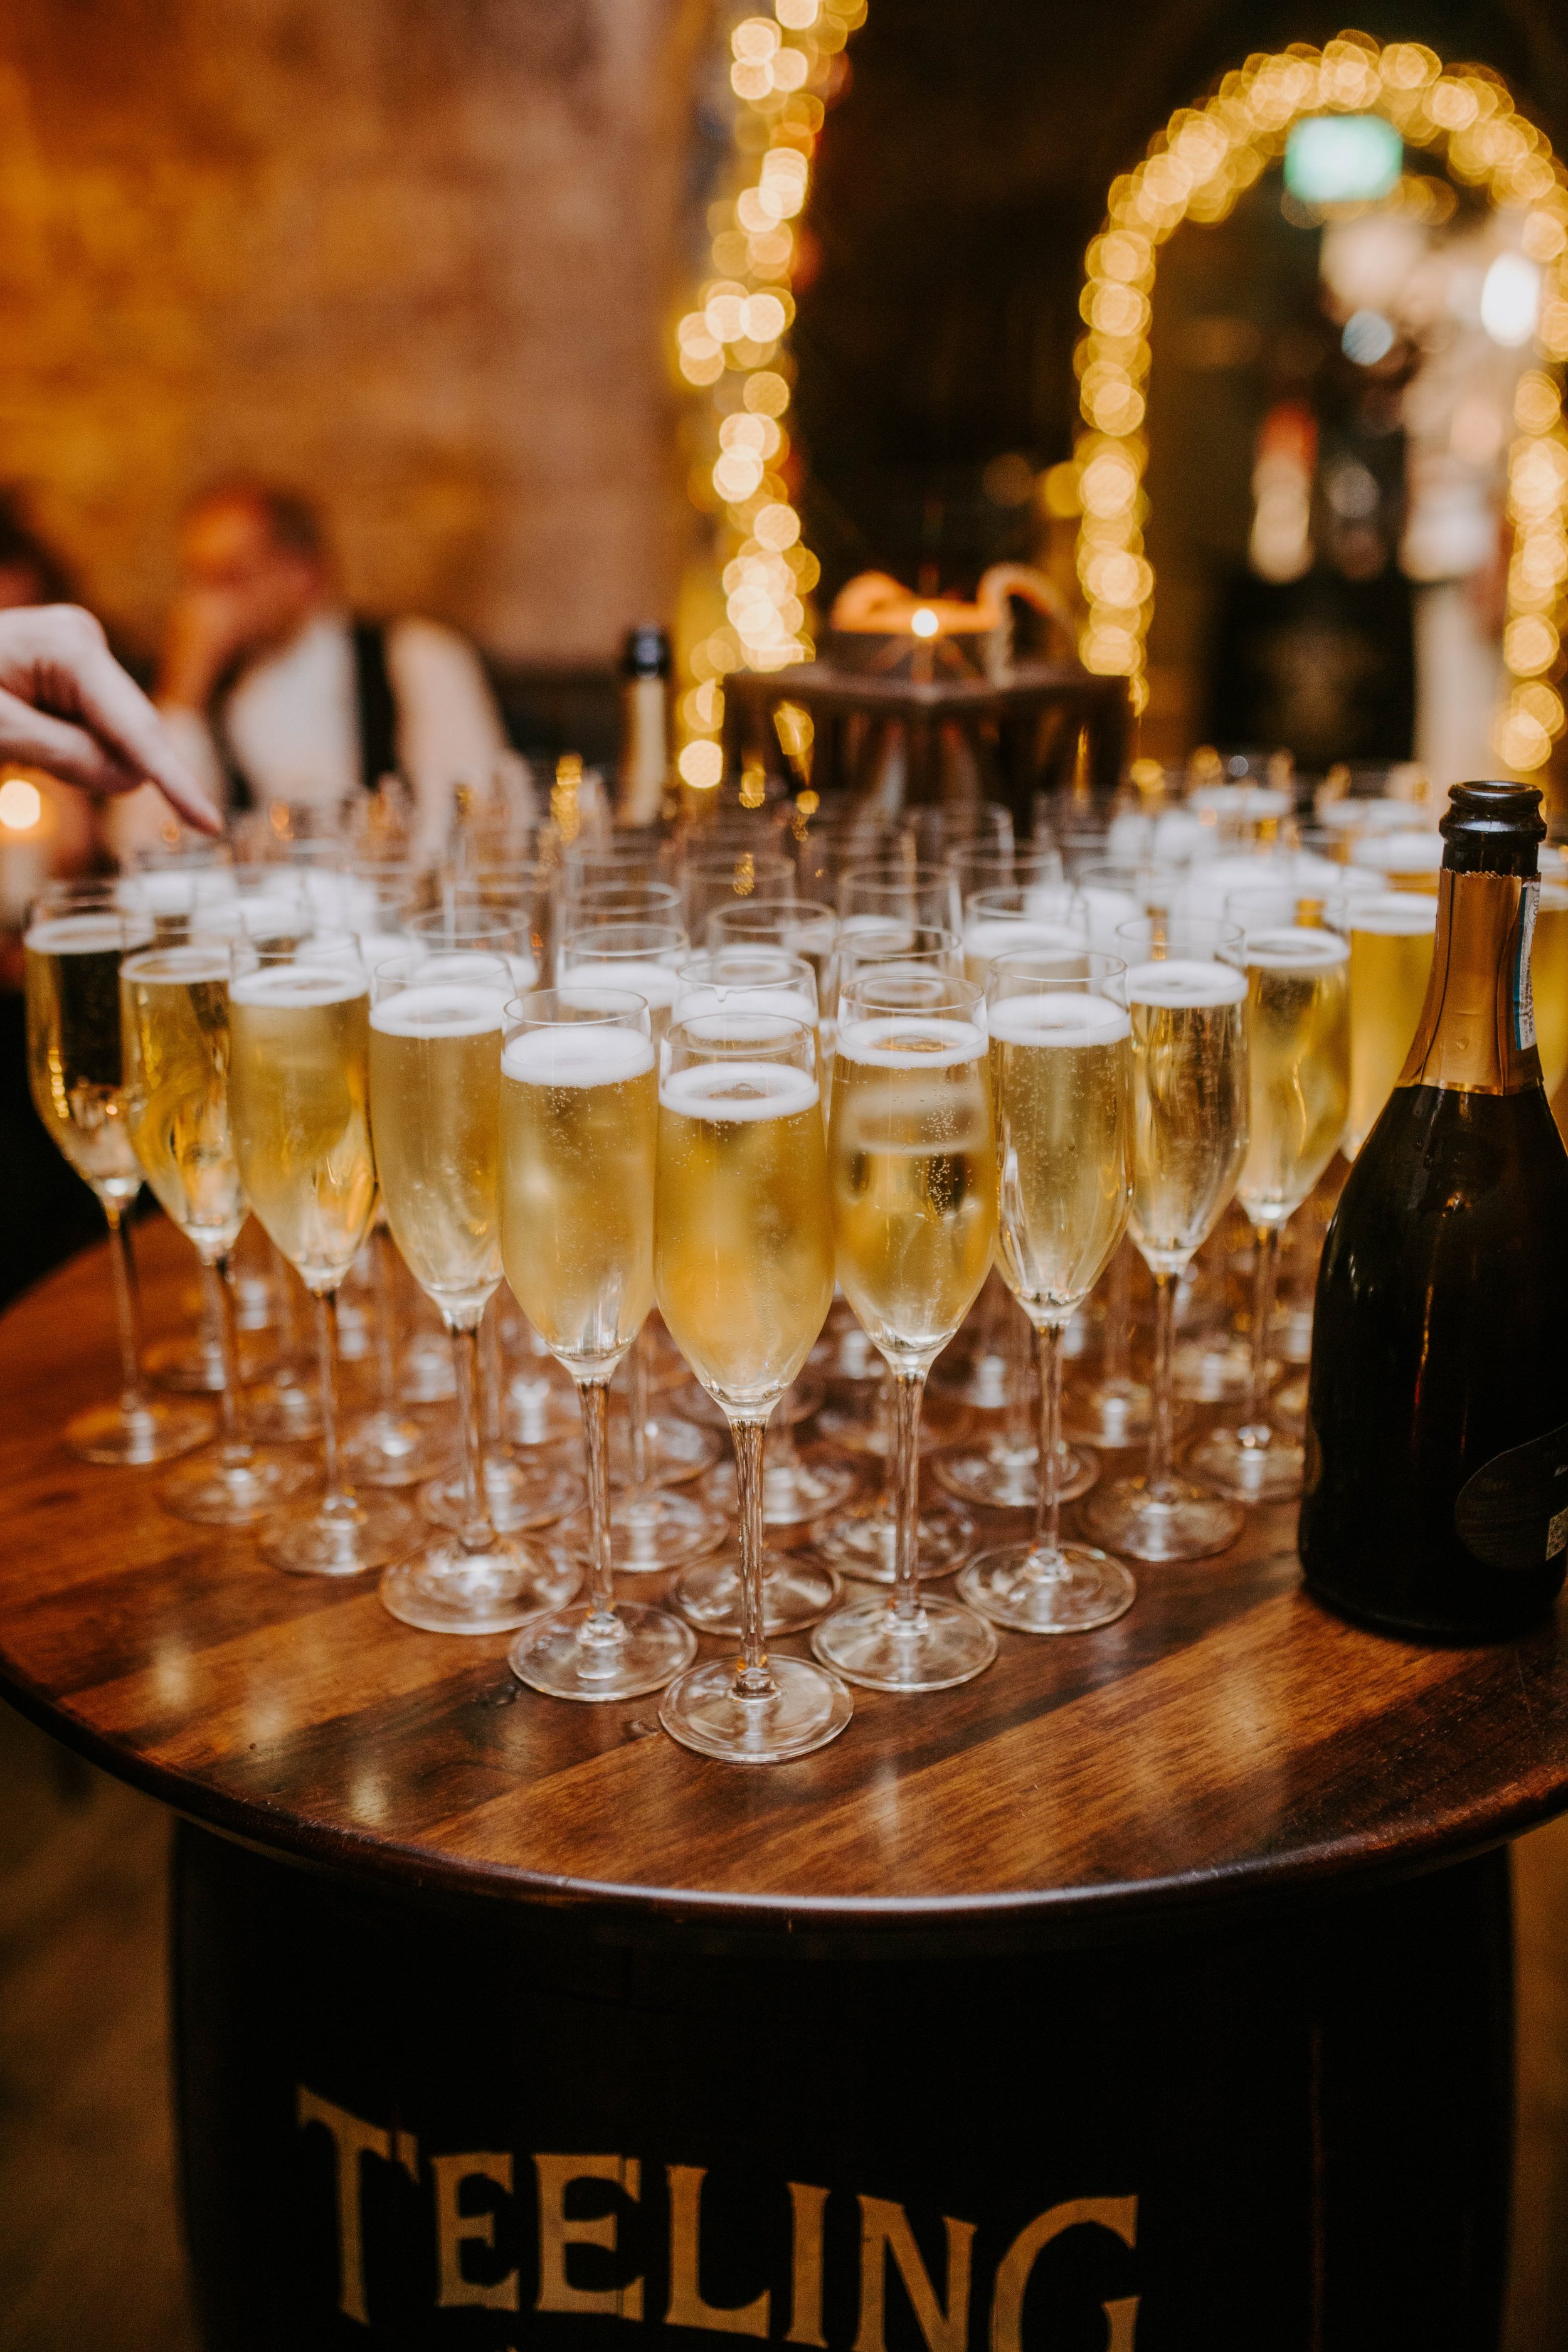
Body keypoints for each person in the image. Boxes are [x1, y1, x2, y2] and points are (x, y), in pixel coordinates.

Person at [112, 482, 506, 863]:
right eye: (198, 581)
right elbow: (139, 846)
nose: (204, 608)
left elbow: (471, 814)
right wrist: (183, 692)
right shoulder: (204, 694)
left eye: (231, 578)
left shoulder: (415, 657)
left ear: (304, 574)